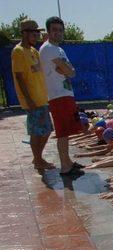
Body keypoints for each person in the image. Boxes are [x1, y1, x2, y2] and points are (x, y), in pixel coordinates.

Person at [39, 16, 84, 175]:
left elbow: (70, 71)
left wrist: (66, 70)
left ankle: (68, 161)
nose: (58, 33)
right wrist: (66, 70)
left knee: (66, 131)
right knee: (62, 132)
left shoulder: (59, 49)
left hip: (65, 93)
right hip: (57, 95)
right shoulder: (49, 48)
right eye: (54, 30)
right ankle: (65, 166)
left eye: (60, 30)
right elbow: (69, 71)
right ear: (48, 31)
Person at [11, 19, 54, 171]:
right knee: (37, 132)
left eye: (38, 32)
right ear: (25, 33)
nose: (36, 35)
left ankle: (38, 158)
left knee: (47, 130)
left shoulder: (33, 51)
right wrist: (28, 99)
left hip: (41, 98)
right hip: (33, 99)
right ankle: (38, 160)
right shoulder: (19, 51)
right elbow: (19, 77)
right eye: (34, 32)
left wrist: (45, 43)